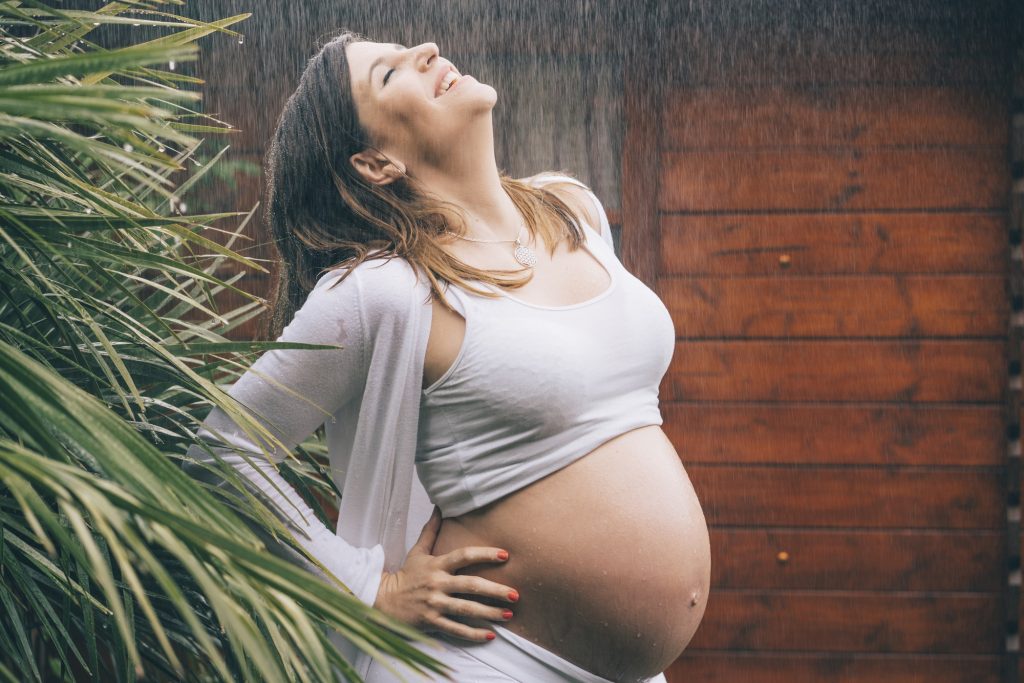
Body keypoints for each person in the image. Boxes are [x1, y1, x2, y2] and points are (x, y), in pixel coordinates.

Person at [184, 29, 710, 683]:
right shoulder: (382, 289)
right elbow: (222, 451)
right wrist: (367, 588)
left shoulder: (572, 211)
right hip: (484, 660)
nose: (427, 49)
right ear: (375, 162)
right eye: (388, 74)